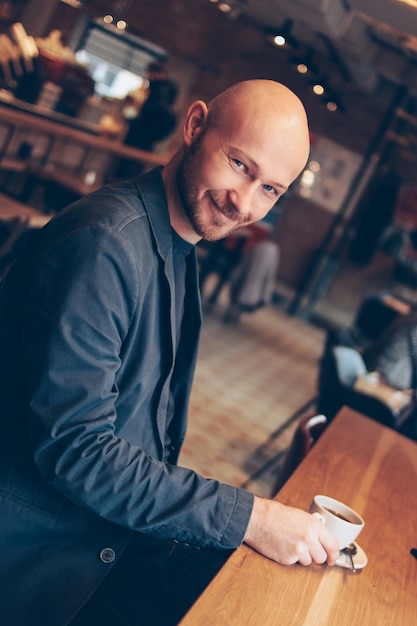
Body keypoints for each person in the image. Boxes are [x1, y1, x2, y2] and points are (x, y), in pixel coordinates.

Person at [0, 79, 339, 626]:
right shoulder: (107, 245)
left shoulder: (177, 246)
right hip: (40, 563)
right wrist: (250, 517)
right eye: (239, 164)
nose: (243, 203)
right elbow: (77, 451)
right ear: (195, 125)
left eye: (270, 190)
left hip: (107, 533)